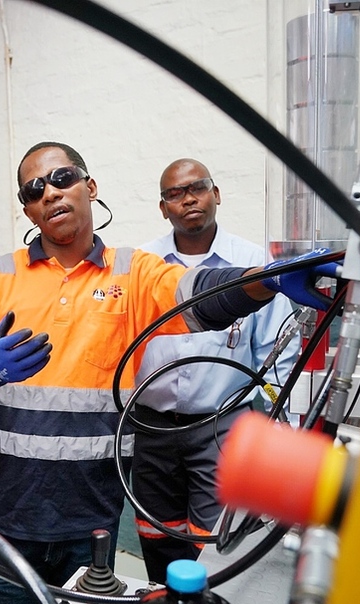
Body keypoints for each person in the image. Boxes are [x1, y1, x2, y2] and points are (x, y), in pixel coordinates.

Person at [0, 141, 337, 604]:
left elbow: (201, 295)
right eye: (34, 189)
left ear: (90, 186)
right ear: (27, 207)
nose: (50, 194)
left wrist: (269, 279)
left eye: (63, 179)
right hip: (6, 518)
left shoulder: (133, 272)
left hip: (93, 523)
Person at [131, 158, 301, 582]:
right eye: (174, 194)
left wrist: (279, 424)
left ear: (216, 194)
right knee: (155, 532)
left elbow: (279, 351)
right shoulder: (141, 264)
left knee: (217, 538)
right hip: (152, 428)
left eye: (198, 188)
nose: (188, 199)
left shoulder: (254, 265)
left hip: (222, 425)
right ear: (162, 207)